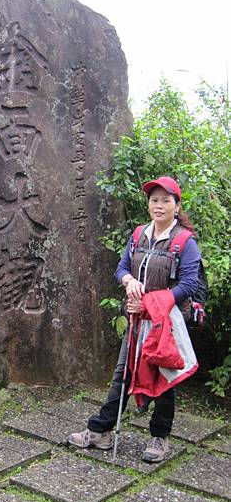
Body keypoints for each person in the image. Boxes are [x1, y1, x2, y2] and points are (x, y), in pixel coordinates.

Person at [68, 176, 201, 462]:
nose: (159, 205)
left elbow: (190, 283)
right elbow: (121, 268)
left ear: (177, 206)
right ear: (148, 203)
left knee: (165, 379)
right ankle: (100, 430)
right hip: (137, 320)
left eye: (166, 200)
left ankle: (160, 439)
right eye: (154, 200)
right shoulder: (139, 234)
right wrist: (128, 281)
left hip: (166, 322)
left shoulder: (183, 241)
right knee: (123, 374)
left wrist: (156, 300)